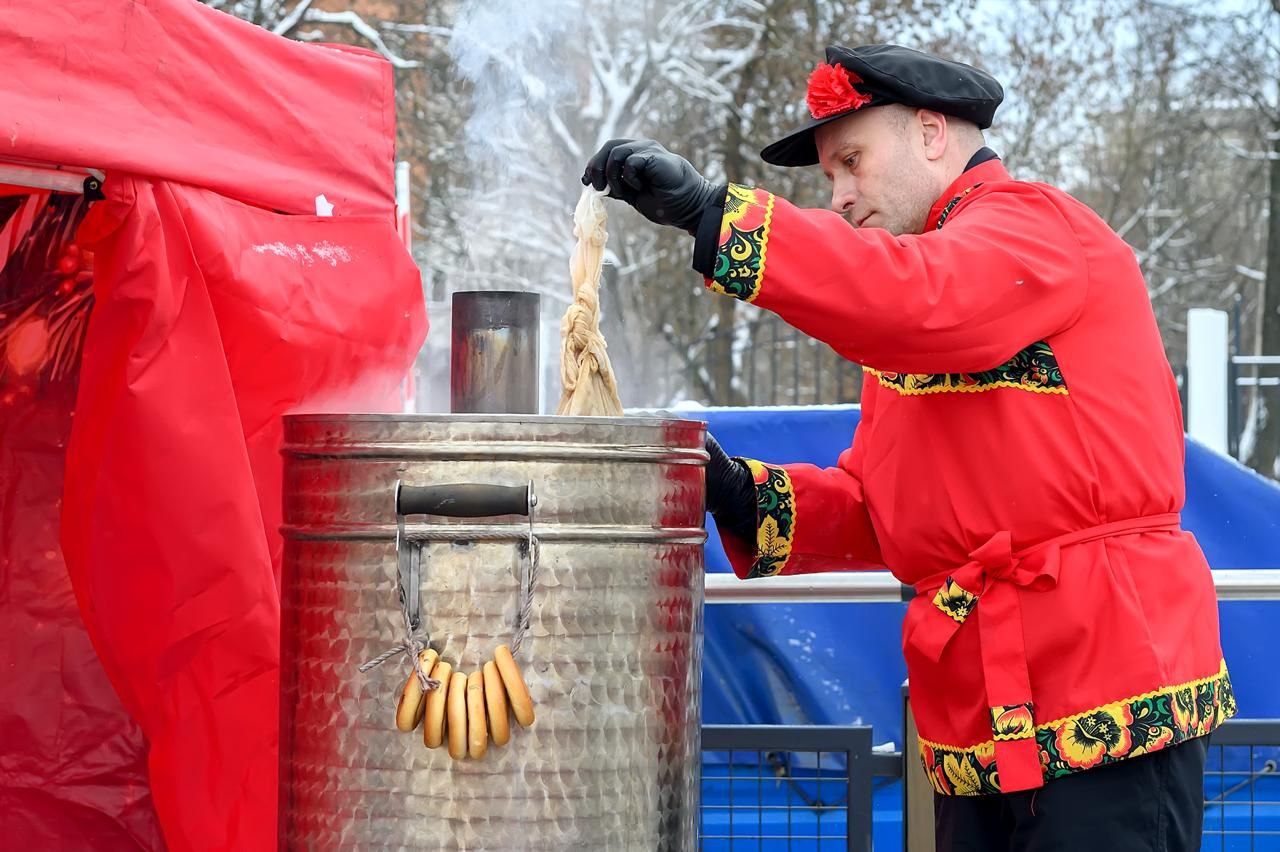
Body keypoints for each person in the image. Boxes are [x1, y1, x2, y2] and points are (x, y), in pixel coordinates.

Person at [583, 43, 1233, 852]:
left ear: (931, 133)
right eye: (830, 176)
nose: (840, 196)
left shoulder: (1036, 226)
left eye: (851, 162)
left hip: (1104, 691)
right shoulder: (917, 303)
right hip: (982, 723)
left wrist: (716, 216)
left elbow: (912, 297)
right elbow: (882, 509)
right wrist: (735, 490)